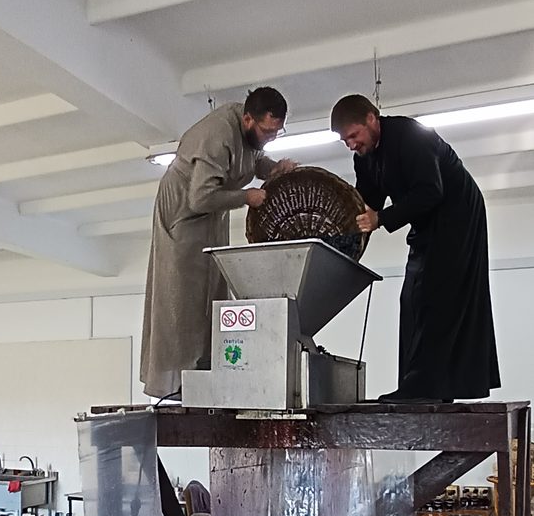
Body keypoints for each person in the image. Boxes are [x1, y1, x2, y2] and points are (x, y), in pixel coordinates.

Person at [330, 94, 500, 403]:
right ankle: (419, 384)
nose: (351, 144)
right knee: (411, 298)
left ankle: (425, 387)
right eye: (345, 141)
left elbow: (430, 191)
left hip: (458, 215)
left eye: (353, 135)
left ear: (371, 119)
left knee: (436, 294)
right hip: (425, 222)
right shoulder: (364, 157)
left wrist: (381, 219)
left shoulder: (410, 136)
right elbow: (366, 203)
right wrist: (341, 238)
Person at [140, 87, 295, 399]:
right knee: (181, 296)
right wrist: (245, 197)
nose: (269, 138)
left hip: (212, 215)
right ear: (248, 119)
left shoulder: (249, 131)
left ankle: (205, 373)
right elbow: (199, 198)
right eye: (267, 132)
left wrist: (273, 168)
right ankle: (177, 384)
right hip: (184, 214)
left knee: (213, 292)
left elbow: (253, 158)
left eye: (276, 133)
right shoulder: (218, 135)